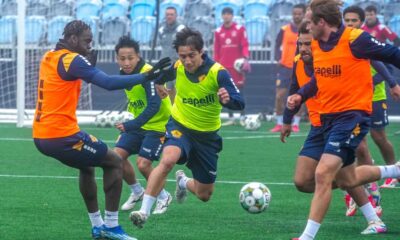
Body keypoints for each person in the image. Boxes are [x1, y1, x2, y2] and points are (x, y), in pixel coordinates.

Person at [32, 20, 170, 240]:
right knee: (114, 161)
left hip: (41, 134)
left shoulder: (50, 55)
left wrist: (86, 65)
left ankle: (98, 226)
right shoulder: (72, 60)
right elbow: (107, 82)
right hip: (61, 135)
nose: (90, 46)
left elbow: (68, 78)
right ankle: (111, 226)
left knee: (87, 165)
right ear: (73, 40)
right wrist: (146, 76)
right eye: (87, 41)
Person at [286, 1, 400, 239]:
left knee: (323, 173)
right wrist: (300, 95)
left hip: (353, 116)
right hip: (327, 119)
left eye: (309, 21)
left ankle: (306, 237)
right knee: (342, 178)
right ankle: (393, 170)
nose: (305, 26)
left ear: (321, 23)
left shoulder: (356, 39)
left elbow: (392, 55)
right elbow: (319, 80)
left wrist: (393, 82)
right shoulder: (317, 45)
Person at [128, 28, 245, 228]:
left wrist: (227, 100)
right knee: (167, 160)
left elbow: (239, 102)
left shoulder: (218, 73)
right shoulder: (178, 66)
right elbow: (159, 76)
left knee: (204, 194)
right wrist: (159, 84)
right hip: (179, 126)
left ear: (201, 52)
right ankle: (144, 211)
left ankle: (183, 182)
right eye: (183, 56)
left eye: (191, 55)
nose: (187, 61)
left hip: (207, 137)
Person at [341, 5, 400, 217]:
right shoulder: (340, 40)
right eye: (347, 21)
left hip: (374, 96)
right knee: (356, 145)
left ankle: (391, 170)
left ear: (361, 23)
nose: (350, 24)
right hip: (352, 99)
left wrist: (391, 83)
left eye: (354, 21)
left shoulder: (362, 40)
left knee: (378, 137)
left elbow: (381, 64)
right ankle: (358, 190)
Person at [113, 36, 173, 214]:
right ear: (117, 59)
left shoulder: (149, 73)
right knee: (116, 158)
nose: (126, 62)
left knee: (143, 164)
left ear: (138, 56)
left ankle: (163, 196)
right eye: (122, 58)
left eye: (130, 58)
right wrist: (128, 128)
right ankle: (137, 192)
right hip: (139, 125)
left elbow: (154, 106)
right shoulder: (123, 75)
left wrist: (129, 125)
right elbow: (135, 102)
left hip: (159, 125)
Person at [270, 3, 306, 133]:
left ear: (303, 14)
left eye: (299, 14)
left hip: (301, 67)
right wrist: (278, 58)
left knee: (300, 96)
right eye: (294, 14)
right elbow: (276, 45)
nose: (296, 16)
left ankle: (296, 123)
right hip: (285, 68)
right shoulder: (284, 29)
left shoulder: (307, 30)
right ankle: (279, 123)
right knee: (280, 96)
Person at [214, 6, 250, 126]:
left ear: (232, 16)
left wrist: (245, 58)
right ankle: (231, 117)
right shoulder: (218, 32)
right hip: (224, 67)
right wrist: (216, 64)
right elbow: (216, 50)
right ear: (222, 16)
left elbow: (245, 45)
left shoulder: (240, 29)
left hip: (237, 67)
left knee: (240, 90)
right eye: (224, 14)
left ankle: (243, 115)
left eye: (229, 14)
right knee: (226, 91)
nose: (226, 16)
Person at [159, 6, 185, 103]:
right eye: (167, 15)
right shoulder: (161, 29)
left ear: (176, 16)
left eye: (171, 14)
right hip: (165, 65)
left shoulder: (181, 29)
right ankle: (171, 113)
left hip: (177, 65)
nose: (169, 17)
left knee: (179, 90)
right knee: (167, 91)